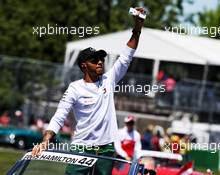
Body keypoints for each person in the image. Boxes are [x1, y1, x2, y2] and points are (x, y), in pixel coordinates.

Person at [32, 7, 145, 175]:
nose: (100, 62)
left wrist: (138, 26)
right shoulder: (75, 88)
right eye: (95, 60)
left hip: (106, 149)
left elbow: (127, 55)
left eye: (101, 59)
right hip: (81, 147)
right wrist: (46, 139)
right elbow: (60, 115)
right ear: (84, 65)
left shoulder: (110, 79)